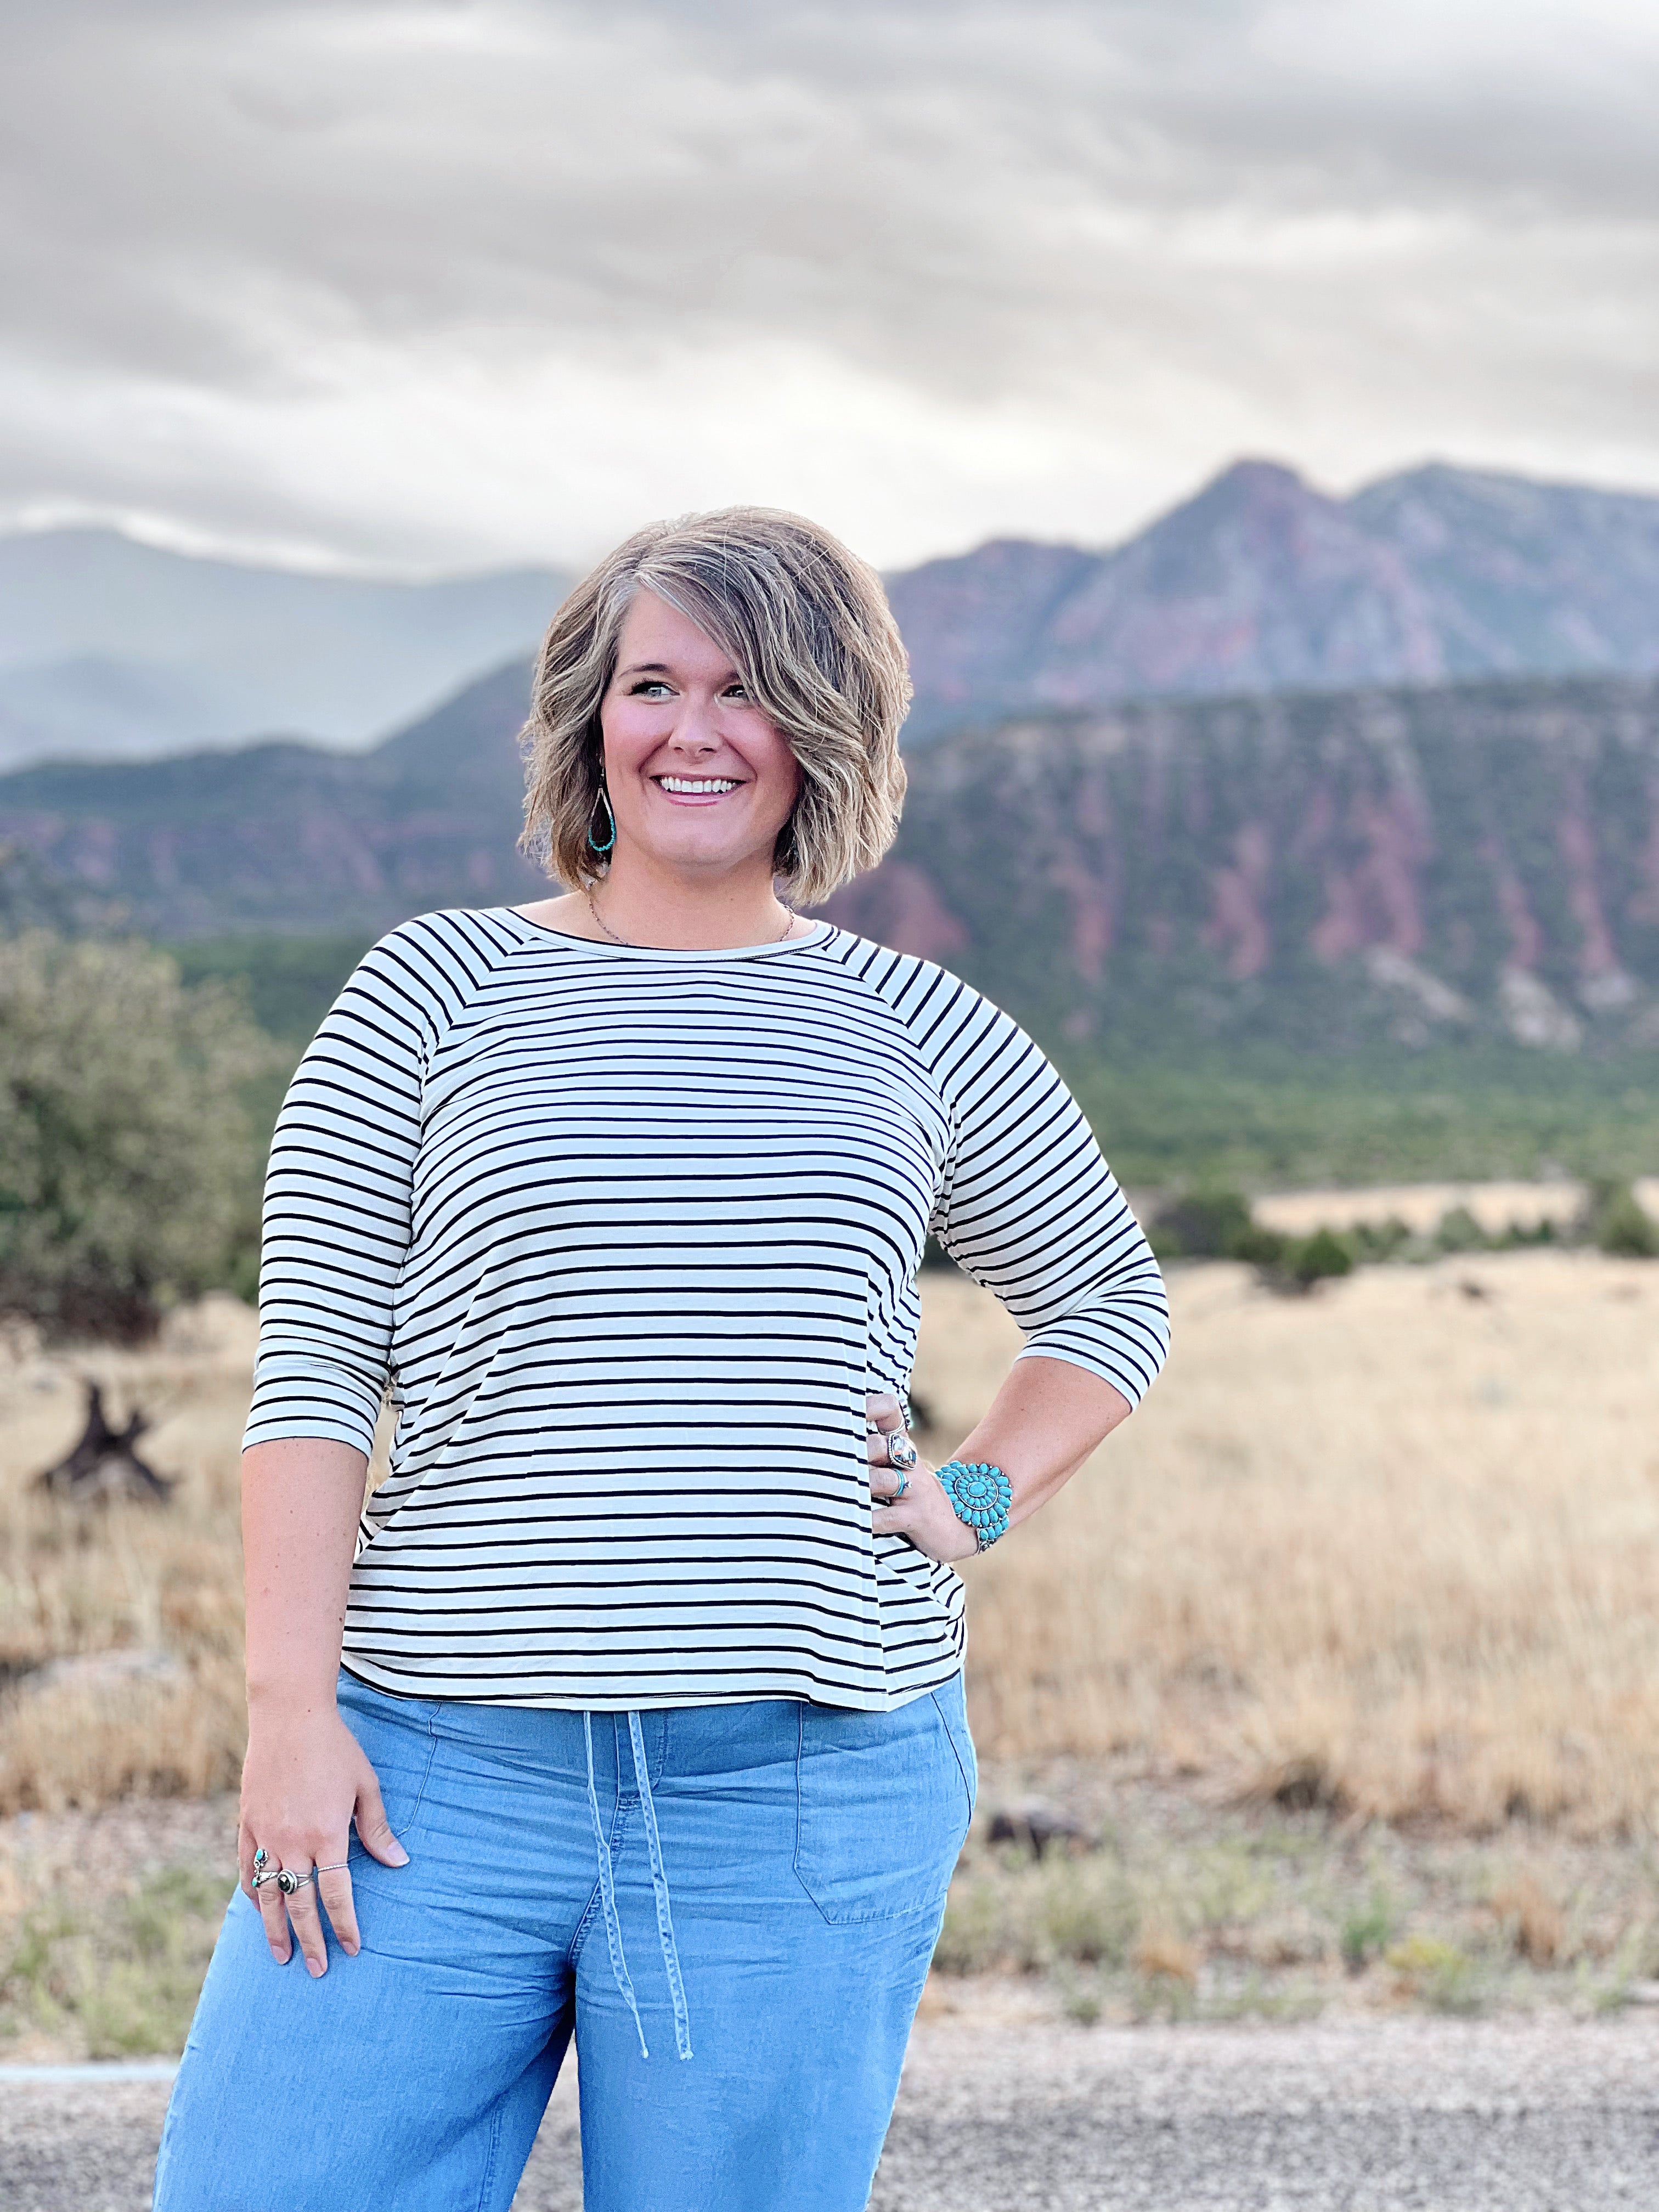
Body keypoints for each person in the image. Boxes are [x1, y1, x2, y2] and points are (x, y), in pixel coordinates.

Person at [152, 507, 1170, 2212]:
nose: (695, 730)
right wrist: (286, 1717)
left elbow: (1109, 1306)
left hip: (798, 1780)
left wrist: (973, 1495)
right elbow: (320, 1367)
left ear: (820, 731)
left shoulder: (919, 1027)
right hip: (433, 1775)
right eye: (653, 684)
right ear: (588, 717)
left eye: (751, 689)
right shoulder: (432, 990)